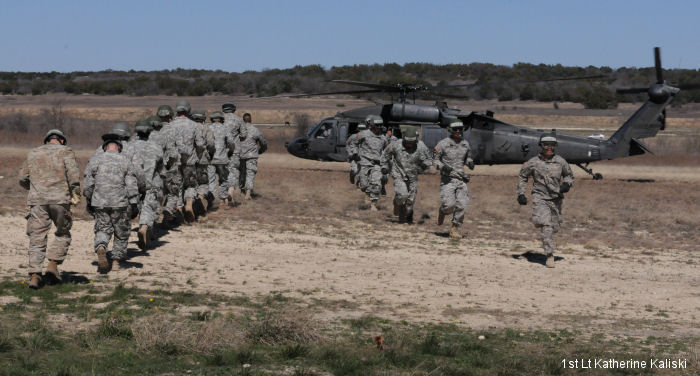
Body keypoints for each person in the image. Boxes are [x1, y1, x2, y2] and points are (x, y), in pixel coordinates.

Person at [19, 129, 81, 289]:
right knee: (63, 232)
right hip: (60, 200)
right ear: (61, 140)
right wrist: (75, 193)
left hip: (37, 201)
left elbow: (22, 178)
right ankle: (53, 265)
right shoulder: (66, 151)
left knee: (37, 236)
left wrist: (34, 188)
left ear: (47, 140)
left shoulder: (33, 152)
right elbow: (73, 174)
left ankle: (35, 275)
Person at [517, 133, 574, 268]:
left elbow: (569, 175)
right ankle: (549, 255)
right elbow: (522, 177)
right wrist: (521, 193)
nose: (549, 148)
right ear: (541, 146)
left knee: (555, 226)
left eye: (552, 145)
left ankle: (545, 229)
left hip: (556, 199)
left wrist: (567, 184)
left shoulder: (561, 161)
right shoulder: (533, 162)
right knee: (545, 225)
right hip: (540, 196)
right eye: (546, 145)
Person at [83, 134, 139, 272]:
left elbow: (88, 185)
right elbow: (131, 185)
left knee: (102, 229)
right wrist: (134, 203)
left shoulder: (95, 160)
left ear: (105, 147)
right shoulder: (126, 161)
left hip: (100, 203)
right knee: (121, 232)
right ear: (119, 147)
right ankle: (116, 262)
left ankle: (101, 246)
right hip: (120, 203)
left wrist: (90, 200)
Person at [433, 120, 474, 240]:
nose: (458, 131)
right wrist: (442, 166)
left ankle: (455, 229)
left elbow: (468, 158)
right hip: (448, 180)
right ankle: (442, 211)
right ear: (450, 130)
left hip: (461, 179)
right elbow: (434, 160)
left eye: (460, 129)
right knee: (449, 205)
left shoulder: (465, 144)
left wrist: (470, 163)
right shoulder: (442, 144)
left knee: (462, 204)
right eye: (455, 129)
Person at [380, 126, 431, 223]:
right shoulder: (395, 145)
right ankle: (396, 203)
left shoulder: (421, 146)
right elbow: (385, 156)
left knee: (409, 203)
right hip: (399, 173)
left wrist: (423, 166)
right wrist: (384, 167)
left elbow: (429, 160)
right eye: (407, 142)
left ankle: (404, 218)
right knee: (402, 195)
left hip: (413, 176)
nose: (409, 144)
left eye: (411, 142)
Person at [130, 119, 164, 250]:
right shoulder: (156, 147)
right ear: (150, 132)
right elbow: (161, 168)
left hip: (133, 182)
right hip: (150, 181)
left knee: (133, 204)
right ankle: (144, 226)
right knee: (148, 206)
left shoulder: (129, 146)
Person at [171, 100, 205, 223]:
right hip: (190, 162)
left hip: (174, 162)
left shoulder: (170, 125)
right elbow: (200, 144)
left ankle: (179, 210)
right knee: (191, 185)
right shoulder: (194, 125)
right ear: (188, 110)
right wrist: (198, 155)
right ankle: (189, 203)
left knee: (177, 186)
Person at [354, 115, 388, 211]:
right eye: (377, 125)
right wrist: (355, 153)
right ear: (372, 125)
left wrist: (386, 164)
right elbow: (353, 143)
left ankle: (373, 204)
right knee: (364, 185)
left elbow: (386, 152)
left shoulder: (383, 138)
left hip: (377, 164)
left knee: (377, 184)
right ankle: (367, 194)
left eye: (381, 125)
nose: (379, 127)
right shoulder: (363, 134)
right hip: (364, 162)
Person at [208, 111, 235, 207]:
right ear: (221, 119)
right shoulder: (225, 128)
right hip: (222, 159)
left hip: (210, 159)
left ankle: (209, 201)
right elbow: (231, 143)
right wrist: (230, 152)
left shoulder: (208, 128)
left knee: (211, 180)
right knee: (223, 180)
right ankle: (223, 200)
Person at [190, 109, 215, 213]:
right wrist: (211, 154)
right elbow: (211, 144)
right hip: (202, 160)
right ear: (203, 118)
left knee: (190, 183)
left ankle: (189, 202)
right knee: (203, 182)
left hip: (189, 160)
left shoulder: (189, 127)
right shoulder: (207, 129)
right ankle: (199, 199)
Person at [238, 113, 267, 200]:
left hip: (241, 155)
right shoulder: (255, 130)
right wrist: (261, 150)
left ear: (243, 120)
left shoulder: (239, 130)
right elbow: (263, 142)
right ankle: (248, 193)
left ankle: (242, 190)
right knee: (250, 173)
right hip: (252, 155)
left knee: (242, 173)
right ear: (251, 120)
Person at [222, 102, 246, 200]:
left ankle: (223, 194)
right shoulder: (239, 119)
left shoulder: (220, 119)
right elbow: (244, 134)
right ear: (234, 109)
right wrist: (236, 137)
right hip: (235, 150)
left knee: (223, 172)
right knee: (234, 170)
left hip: (221, 150)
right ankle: (231, 190)